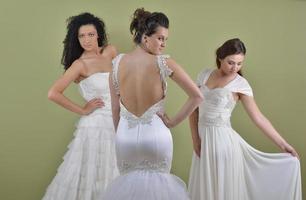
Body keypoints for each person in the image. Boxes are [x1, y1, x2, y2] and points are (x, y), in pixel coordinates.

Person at [101, 8, 203, 200]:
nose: (163, 44)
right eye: (160, 38)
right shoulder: (164, 63)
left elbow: (115, 109)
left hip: (125, 137)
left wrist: (121, 133)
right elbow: (197, 96)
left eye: (166, 40)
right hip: (156, 136)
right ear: (145, 37)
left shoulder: (116, 64)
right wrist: (172, 123)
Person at [188, 38, 302, 200]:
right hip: (204, 144)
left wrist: (283, 144)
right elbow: (193, 111)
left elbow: (259, 118)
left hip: (224, 145)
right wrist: (195, 140)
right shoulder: (204, 75)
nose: (235, 68)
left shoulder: (240, 84)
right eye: (231, 62)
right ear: (220, 58)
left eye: (239, 63)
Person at [43, 12, 118, 200]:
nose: (86, 40)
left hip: (120, 120)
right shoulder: (79, 64)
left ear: (98, 34)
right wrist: (83, 110)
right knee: (92, 172)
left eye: (90, 34)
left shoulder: (110, 52)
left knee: (117, 169)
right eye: (81, 36)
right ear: (76, 39)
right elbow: (53, 93)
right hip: (95, 127)